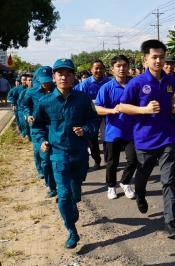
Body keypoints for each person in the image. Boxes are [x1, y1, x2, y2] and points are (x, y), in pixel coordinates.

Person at [32, 58, 99, 249]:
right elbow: (37, 127)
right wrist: (41, 141)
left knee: (74, 191)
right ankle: (71, 230)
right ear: (54, 77)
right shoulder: (45, 102)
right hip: (58, 155)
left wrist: (86, 130)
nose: (64, 77)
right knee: (63, 195)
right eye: (60, 74)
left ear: (73, 77)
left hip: (79, 155)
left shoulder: (83, 99)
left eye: (68, 74)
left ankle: (74, 199)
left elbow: (94, 121)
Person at [119, 39, 175, 239]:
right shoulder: (136, 83)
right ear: (145, 59)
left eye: (161, 57)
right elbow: (123, 106)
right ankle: (140, 194)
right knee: (143, 174)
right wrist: (144, 110)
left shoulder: (170, 80)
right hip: (145, 139)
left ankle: (170, 222)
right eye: (154, 57)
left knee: (169, 180)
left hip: (167, 137)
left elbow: (171, 99)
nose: (158, 61)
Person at [94, 55, 138, 200]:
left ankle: (125, 182)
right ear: (112, 69)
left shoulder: (134, 85)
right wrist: (112, 110)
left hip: (132, 131)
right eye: (118, 66)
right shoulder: (107, 88)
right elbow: (97, 108)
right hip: (114, 131)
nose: (122, 68)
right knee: (113, 162)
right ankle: (111, 186)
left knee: (134, 160)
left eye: (124, 65)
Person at [21, 66, 57, 194]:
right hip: (39, 128)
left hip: (56, 128)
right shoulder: (32, 92)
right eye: (43, 81)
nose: (46, 83)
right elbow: (24, 105)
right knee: (45, 158)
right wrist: (28, 115)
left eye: (48, 80)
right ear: (38, 79)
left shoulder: (59, 90)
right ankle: (51, 186)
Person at [75, 59, 111, 170]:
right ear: (91, 70)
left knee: (107, 138)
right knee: (92, 139)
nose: (98, 70)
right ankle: (97, 160)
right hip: (91, 116)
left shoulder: (109, 82)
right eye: (96, 68)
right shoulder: (85, 84)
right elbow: (82, 99)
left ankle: (107, 158)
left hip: (105, 114)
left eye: (101, 68)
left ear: (104, 70)